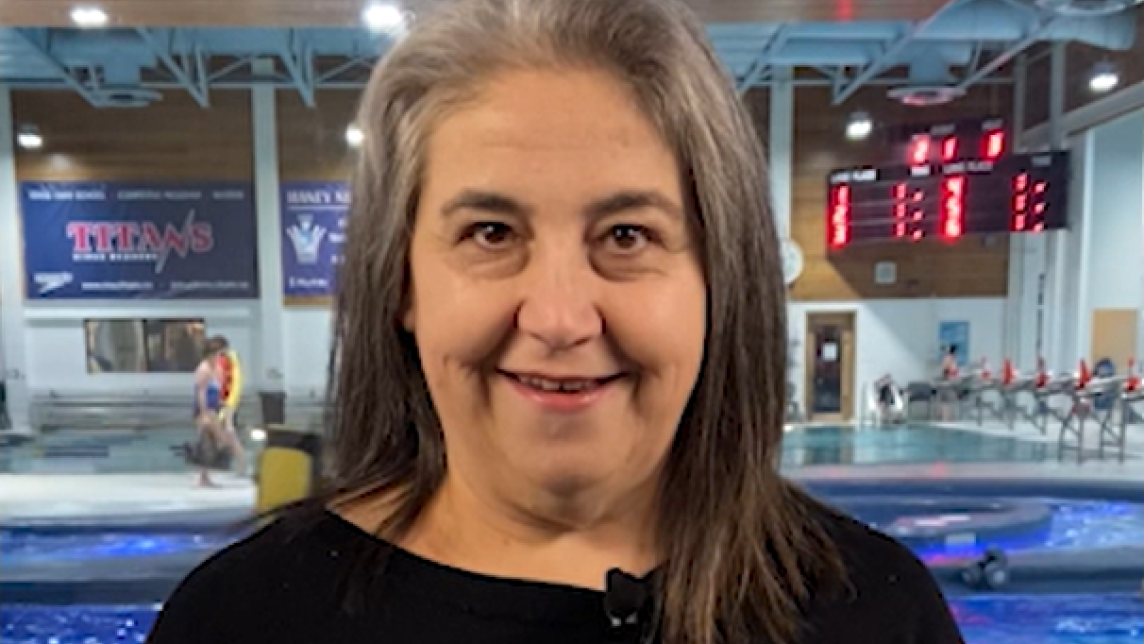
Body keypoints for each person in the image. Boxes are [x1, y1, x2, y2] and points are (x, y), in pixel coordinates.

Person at [148, 0, 964, 642]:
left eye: (627, 236)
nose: (561, 318)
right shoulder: (242, 621)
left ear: (720, 282)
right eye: (491, 234)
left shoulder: (876, 613)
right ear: (400, 281)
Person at [191, 339, 226, 487]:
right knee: (215, 440)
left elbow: (219, 390)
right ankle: (203, 474)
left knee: (211, 443)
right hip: (205, 409)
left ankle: (204, 475)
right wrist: (204, 413)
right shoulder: (203, 369)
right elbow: (201, 393)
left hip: (214, 407)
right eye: (219, 354)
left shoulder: (217, 369)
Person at [212, 335, 248, 476]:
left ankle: (241, 463)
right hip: (229, 399)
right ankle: (237, 461)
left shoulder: (225, 360)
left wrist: (225, 400)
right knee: (224, 431)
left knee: (228, 430)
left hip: (227, 400)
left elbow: (228, 381)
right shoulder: (230, 359)